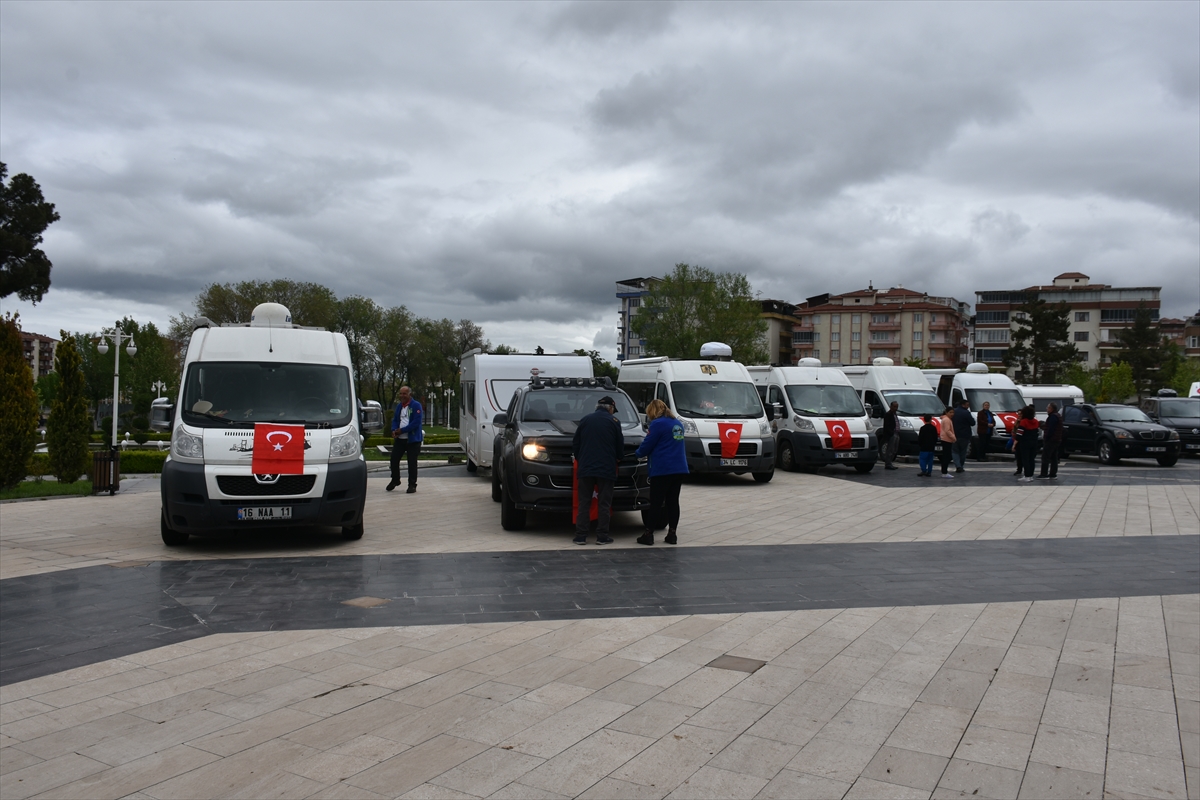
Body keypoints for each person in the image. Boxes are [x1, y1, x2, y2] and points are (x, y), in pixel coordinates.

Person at [572, 395, 624, 545]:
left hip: (586, 469)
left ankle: (581, 536)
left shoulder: (585, 420)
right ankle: (602, 536)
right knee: (604, 504)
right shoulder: (614, 422)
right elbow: (619, 446)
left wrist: (581, 459)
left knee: (584, 503)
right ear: (611, 408)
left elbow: (576, 444)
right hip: (606, 470)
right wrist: (618, 458)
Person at [635, 399, 688, 545]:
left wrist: (637, 454)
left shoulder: (657, 424)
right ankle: (672, 534)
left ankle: (648, 534)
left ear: (653, 411)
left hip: (663, 469)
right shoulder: (677, 424)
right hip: (679, 468)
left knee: (656, 503)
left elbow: (648, 444)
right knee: (673, 502)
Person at [387, 386, 423, 493]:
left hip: (413, 440)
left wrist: (402, 430)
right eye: (401, 393)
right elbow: (395, 420)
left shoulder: (416, 405)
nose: (402, 396)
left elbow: (416, 422)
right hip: (400, 439)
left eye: (404, 394)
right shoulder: (399, 406)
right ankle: (395, 479)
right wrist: (394, 430)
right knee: (394, 459)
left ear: (409, 394)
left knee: (412, 463)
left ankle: (412, 484)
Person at [1015, 405, 1040, 482]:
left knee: (1025, 459)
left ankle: (1027, 475)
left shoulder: (1023, 422)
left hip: (1025, 443)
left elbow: (1019, 434)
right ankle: (1031, 475)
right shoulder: (1036, 421)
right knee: (1031, 459)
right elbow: (1037, 432)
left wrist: (1016, 441)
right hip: (1034, 442)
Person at [1038, 402, 1063, 480]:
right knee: (1054, 457)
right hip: (1057, 439)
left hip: (1051, 440)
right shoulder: (1058, 416)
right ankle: (1053, 473)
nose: (1046, 409)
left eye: (1048, 407)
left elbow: (1051, 429)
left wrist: (1047, 437)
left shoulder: (1052, 417)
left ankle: (1044, 474)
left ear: (1051, 409)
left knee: (1045, 457)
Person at [952, 398, 974, 472]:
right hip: (965, 434)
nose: (968, 406)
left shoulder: (953, 412)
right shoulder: (966, 413)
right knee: (963, 451)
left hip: (954, 434)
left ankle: (957, 465)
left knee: (955, 451)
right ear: (963, 405)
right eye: (967, 405)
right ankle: (960, 465)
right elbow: (972, 423)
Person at [880, 401, 900, 470]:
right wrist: (891, 433)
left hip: (896, 433)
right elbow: (887, 426)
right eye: (894, 407)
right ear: (891, 407)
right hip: (891, 434)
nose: (896, 408)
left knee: (894, 449)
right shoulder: (888, 415)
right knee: (890, 449)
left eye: (896, 407)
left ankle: (890, 462)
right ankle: (888, 463)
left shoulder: (895, 415)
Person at [939, 407, 957, 478]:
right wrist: (953, 437)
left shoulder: (946, 419)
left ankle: (944, 471)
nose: (952, 414)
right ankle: (944, 472)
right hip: (946, 439)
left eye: (953, 412)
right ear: (946, 412)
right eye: (950, 412)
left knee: (946, 456)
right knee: (947, 456)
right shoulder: (947, 420)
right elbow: (947, 430)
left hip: (946, 439)